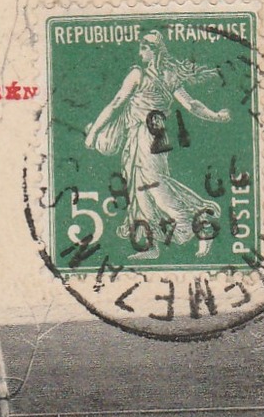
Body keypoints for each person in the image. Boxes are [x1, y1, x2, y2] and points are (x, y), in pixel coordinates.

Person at [84, 31, 232, 260]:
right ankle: (150, 246)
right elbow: (192, 105)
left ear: (154, 51)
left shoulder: (140, 74)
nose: (140, 52)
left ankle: (202, 224)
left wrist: (93, 132)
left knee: (156, 187)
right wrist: (217, 116)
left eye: (144, 48)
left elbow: (116, 104)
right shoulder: (163, 74)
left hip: (149, 137)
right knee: (139, 193)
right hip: (141, 137)